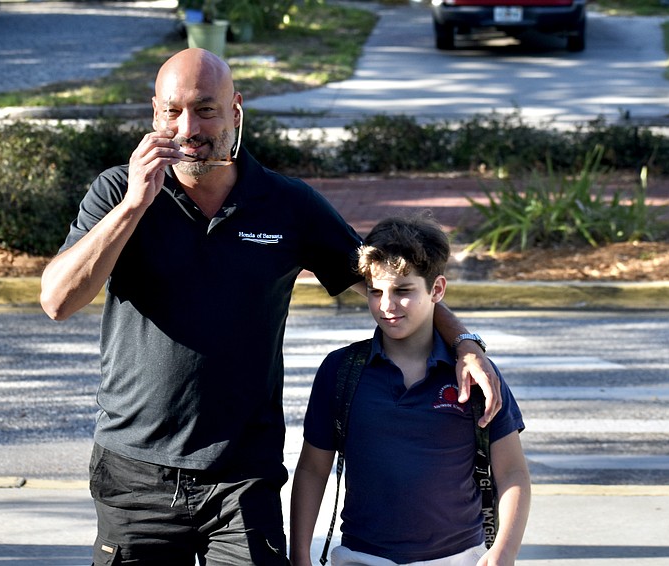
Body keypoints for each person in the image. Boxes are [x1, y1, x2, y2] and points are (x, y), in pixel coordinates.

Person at [40, 48, 501, 566]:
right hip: (135, 472)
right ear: (154, 114)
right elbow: (57, 301)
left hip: (243, 476)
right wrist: (133, 205)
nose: (188, 127)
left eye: (205, 109)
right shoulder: (115, 193)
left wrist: (463, 343)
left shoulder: (287, 203)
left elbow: (388, 280)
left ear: (236, 111)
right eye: (172, 112)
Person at [290, 213, 531, 566]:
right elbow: (312, 469)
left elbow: (512, 472)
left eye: (403, 291)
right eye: (375, 291)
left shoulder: (476, 376)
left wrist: (503, 553)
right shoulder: (340, 370)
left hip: (459, 558)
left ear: (437, 290)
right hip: (361, 557)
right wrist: (299, 556)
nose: (386, 306)